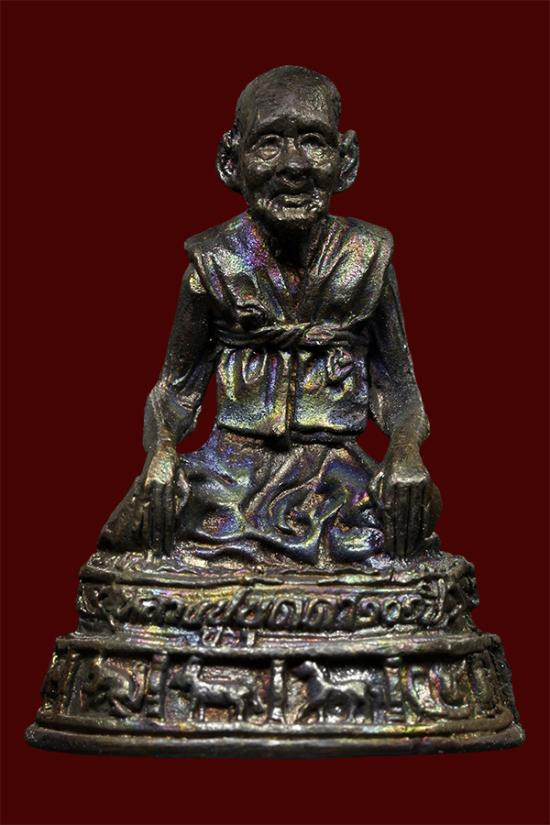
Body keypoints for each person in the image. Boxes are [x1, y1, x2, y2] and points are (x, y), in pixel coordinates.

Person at [99, 65, 441, 570]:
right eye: (268, 144)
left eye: (313, 142)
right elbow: (174, 392)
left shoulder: (366, 261)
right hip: (230, 472)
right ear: (230, 161)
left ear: (346, 160)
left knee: (404, 517)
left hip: (335, 475)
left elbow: (400, 391)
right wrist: (163, 450)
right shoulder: (214, 264)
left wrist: (407, 451)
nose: (293, 165)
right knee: (150, 522)